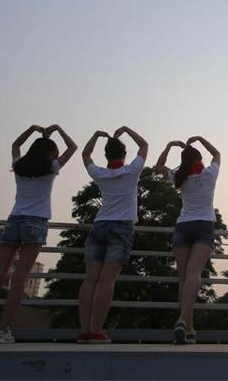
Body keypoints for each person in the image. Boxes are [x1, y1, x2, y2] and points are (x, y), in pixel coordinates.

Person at [0, 124, 77, 343]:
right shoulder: (51, 167)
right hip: (36, 222)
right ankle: (3, 331)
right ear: (52, 153)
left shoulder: (20, 165)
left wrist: (33, 129)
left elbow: (15, 145)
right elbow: (73, 146)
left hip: (14, 220)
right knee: (19, 279)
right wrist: (58, 129)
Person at [78, 126, 148, 344]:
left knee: (91, 280)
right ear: (124, 154)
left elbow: (85, 155)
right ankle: (97, 330)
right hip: (121, 228)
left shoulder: (100, 173)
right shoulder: (131, 171)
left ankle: (85, 330)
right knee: (107, 281)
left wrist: (96, 136)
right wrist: (127, 130)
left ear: (106, 155)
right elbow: (144, 146)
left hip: (99, 225)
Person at [155, 136, 220, 345]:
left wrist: (168, 146)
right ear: (199, 158)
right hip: (204, 226)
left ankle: (189, 328)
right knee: (194, 274)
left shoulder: (179, 177)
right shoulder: (209, 174)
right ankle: (184, 321)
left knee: (183, 278)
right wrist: (200, 139)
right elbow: (217, 154)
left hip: (183, 226)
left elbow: (158, 166)